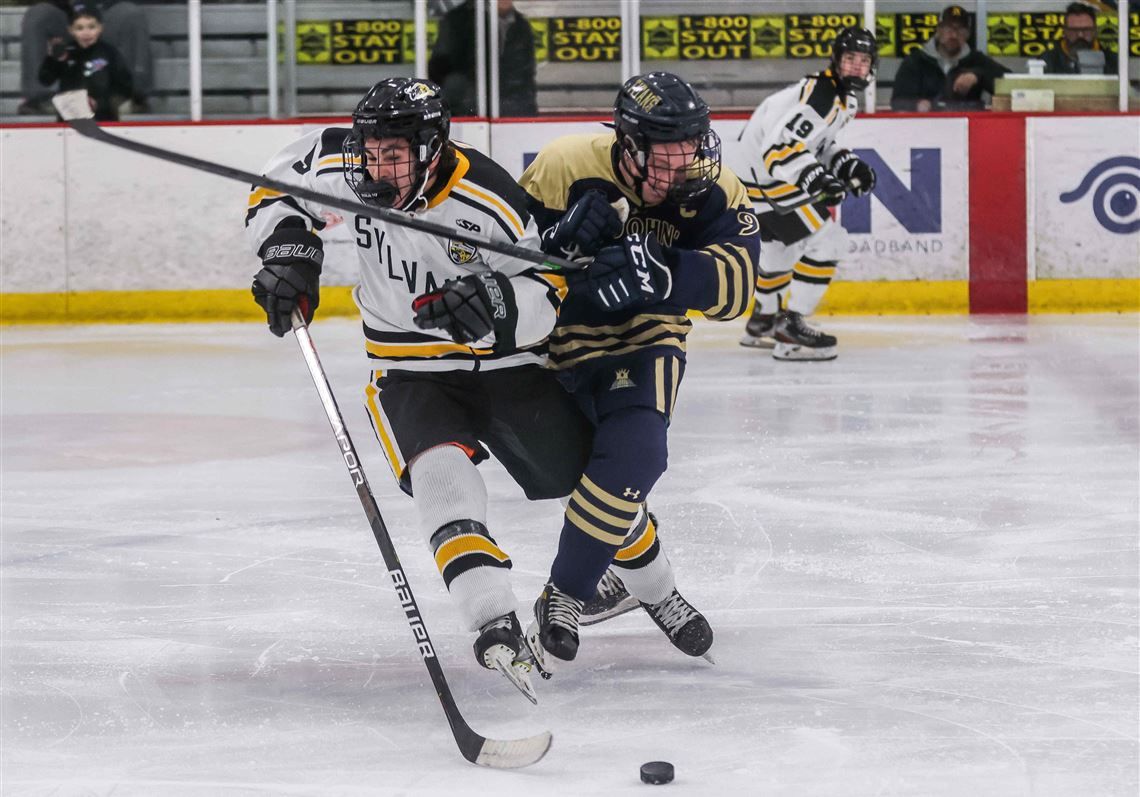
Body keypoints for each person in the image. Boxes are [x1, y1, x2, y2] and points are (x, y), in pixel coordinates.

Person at [245, 78, 591, 702]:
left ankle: (649, 584)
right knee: (439, 476)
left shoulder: (489, 199)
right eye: (369, 151)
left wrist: (493, 304)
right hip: (407, 367)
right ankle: (492, 619)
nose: (377, 168)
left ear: (431, 149)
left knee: (582, 478)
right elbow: (275, 186)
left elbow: (548, 285)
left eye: (394, 154)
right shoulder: (348, 166)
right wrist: (290, 252)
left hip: (506, 364)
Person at [516, 71, 760, 672]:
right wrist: (558, 247)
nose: (684, 164)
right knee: (591, 479)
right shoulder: (563, 164)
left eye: (691, 147)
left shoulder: (714, 188)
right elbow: (505, 262)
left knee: (637, 455)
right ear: (628, 143)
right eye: (668, 152)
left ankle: (566, 593)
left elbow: (739, 289)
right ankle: (653, 587)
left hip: (647, 339)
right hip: (555, 344)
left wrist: (667, 274)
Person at [731, 26, 878, 361]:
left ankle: (763, 321)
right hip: (765, 181)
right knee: (830, 241)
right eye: (850, 58)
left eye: (863, 60)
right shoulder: (822, 94)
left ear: (872, 66)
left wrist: (847, 166)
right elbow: (779, 148)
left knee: (782, 250)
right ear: (836, 59)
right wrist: (816, 180)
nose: (856, 66)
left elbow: (816, 143)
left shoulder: (841, 97)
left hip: (750, 180)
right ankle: (790, 329)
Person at [19, 0, 153, 116]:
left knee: (133, 14)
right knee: (37, 15)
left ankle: (129, 98)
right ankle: (40, 100)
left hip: (107, 13)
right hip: (69, 15)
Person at [428, 0, 539, 117]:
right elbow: (440, 70)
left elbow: (526, 77)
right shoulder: (458, 20)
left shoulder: (521, 26)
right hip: (467, 112)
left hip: (510, 111)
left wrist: (527, 110)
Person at [890, 5, 1010, 112]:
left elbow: (1013, 86)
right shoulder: (916, 60)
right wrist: (917, 104)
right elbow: (897, 101)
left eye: (961, 30)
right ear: (939, 30)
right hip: (925, 126)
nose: (954, 35)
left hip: (968, 126)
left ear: (968, 34)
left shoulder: (976, 60)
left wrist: (978, 76)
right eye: (949, 29)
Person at [38, 4, 133, 122]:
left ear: (100, 28)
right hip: (69, 120)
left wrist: (101, 103)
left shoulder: (109, 52)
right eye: (80, 28)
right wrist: (53, 60)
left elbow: (125, 86)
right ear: (71, 30)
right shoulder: (66, 52)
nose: (86, 33)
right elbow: (45, 80)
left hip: (104, 118)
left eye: (91, 27)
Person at [1042, 2, 1119, 75]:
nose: (1080, 35)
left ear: (1095, 30)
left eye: (1086, 30)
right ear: (1064, 31)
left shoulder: (1113, 62)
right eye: (1074, 30)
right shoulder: (1047, 61)